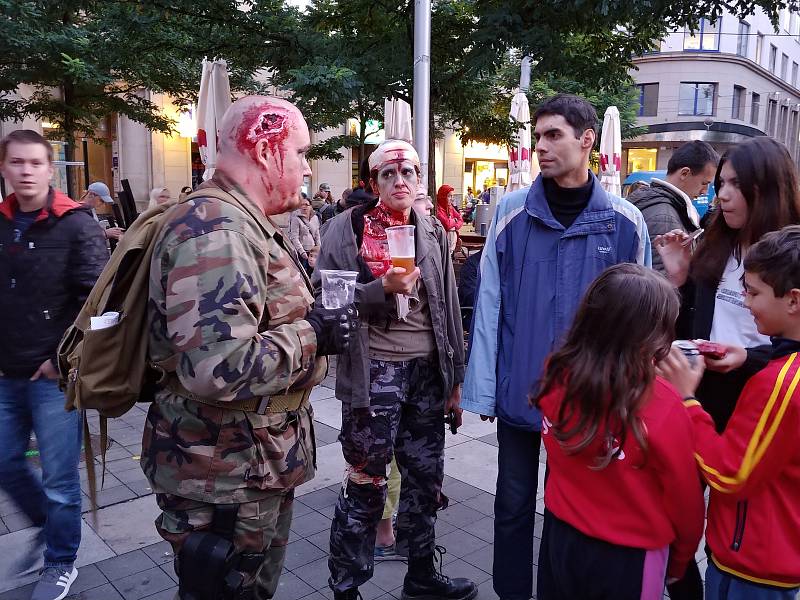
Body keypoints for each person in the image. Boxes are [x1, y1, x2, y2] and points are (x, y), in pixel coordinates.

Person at [141, 96, 357, 600]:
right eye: (301, 153)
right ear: (265, 148)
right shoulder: (219, 228)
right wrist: (315, 334)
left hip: (245, 462)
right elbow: (215, 367)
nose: (306, 167)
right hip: (223, 472)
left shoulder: (240, 220)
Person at [460, 94, 651, 600]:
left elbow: (639, 321)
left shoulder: (626, 221)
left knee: (576, 510)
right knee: (514, 503)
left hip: (593, 399)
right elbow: (489, 310)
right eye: (537, 135)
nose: (540, 147)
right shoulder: (509, 212)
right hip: (524, 394)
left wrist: (634, 392)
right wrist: (480, 390)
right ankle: (512, 593)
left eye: (553, 135)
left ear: (587, 141)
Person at [315, 139, 476, 600]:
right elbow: (326, 307)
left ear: (420, 179)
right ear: (373, 182)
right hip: (374, 376)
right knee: (367, 484)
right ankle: (346, 589)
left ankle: (421, 576)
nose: (400, 181)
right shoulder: (344, 232)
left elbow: (446, 311)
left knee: (424, 481)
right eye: (389, 173)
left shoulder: (430, 230)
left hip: (427, 372)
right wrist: (377, 289)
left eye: (409, 173)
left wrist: (455, 380)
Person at [534, 264, 704, 600]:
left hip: (561, 535)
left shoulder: (557, 370)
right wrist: (681, 560)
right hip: (629, 554)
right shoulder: (664, 403)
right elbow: (686, 500)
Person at [659, 225, 800, 599]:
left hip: (754, 565)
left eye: (752, 292)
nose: (744, 300)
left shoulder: (780, 385)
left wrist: (688, 400)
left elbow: (729, 474)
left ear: (793, 300)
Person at [0, 129, 108, 600]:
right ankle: (49, 525)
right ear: (4, 168)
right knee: (5, 463)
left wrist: (61, 360)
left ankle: (61, 561)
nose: (25, 171)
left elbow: (97, 303)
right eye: (16, 162)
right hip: (4, 372)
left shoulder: (75, 223)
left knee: (61, 480)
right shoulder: (1, 222)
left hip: (51, 377)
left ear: (50, 169)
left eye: (35, 163)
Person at [655, 137, 800, 432]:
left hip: (763, 402)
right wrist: (680, 279)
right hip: (700, 393)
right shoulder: (715, 243)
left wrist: (748, 358)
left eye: (736, 184)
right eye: (721, 183)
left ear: (770, 188)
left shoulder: (792, 254)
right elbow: (688, 326)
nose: (723, 195)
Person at [629, 140, 719, 274]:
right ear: (684, 173)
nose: (705, 191)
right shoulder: (665, 216)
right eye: (704, 183)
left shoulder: (653, 200)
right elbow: (661, 282)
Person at [289, 195, 321, 273]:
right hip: (301, 252)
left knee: (313, 273)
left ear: (310, 206)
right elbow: (294, 237)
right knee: (303, 273)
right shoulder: (296, 219)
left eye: (306, 204)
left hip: (313, 251)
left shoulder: (315, 218)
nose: (304, 207)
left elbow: (317, 234)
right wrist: (301, 251)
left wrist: (319, 248)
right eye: (301, 205)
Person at [435, 185, 463, 254]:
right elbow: (447, 224)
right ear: (443, 196)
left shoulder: (450, 207)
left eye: (452, 196)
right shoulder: (438, 209)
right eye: (449, 196)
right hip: (443, 240)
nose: (452, 199)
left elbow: (460, 219)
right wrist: (455, 220)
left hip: (452, 240)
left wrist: (455, 226)